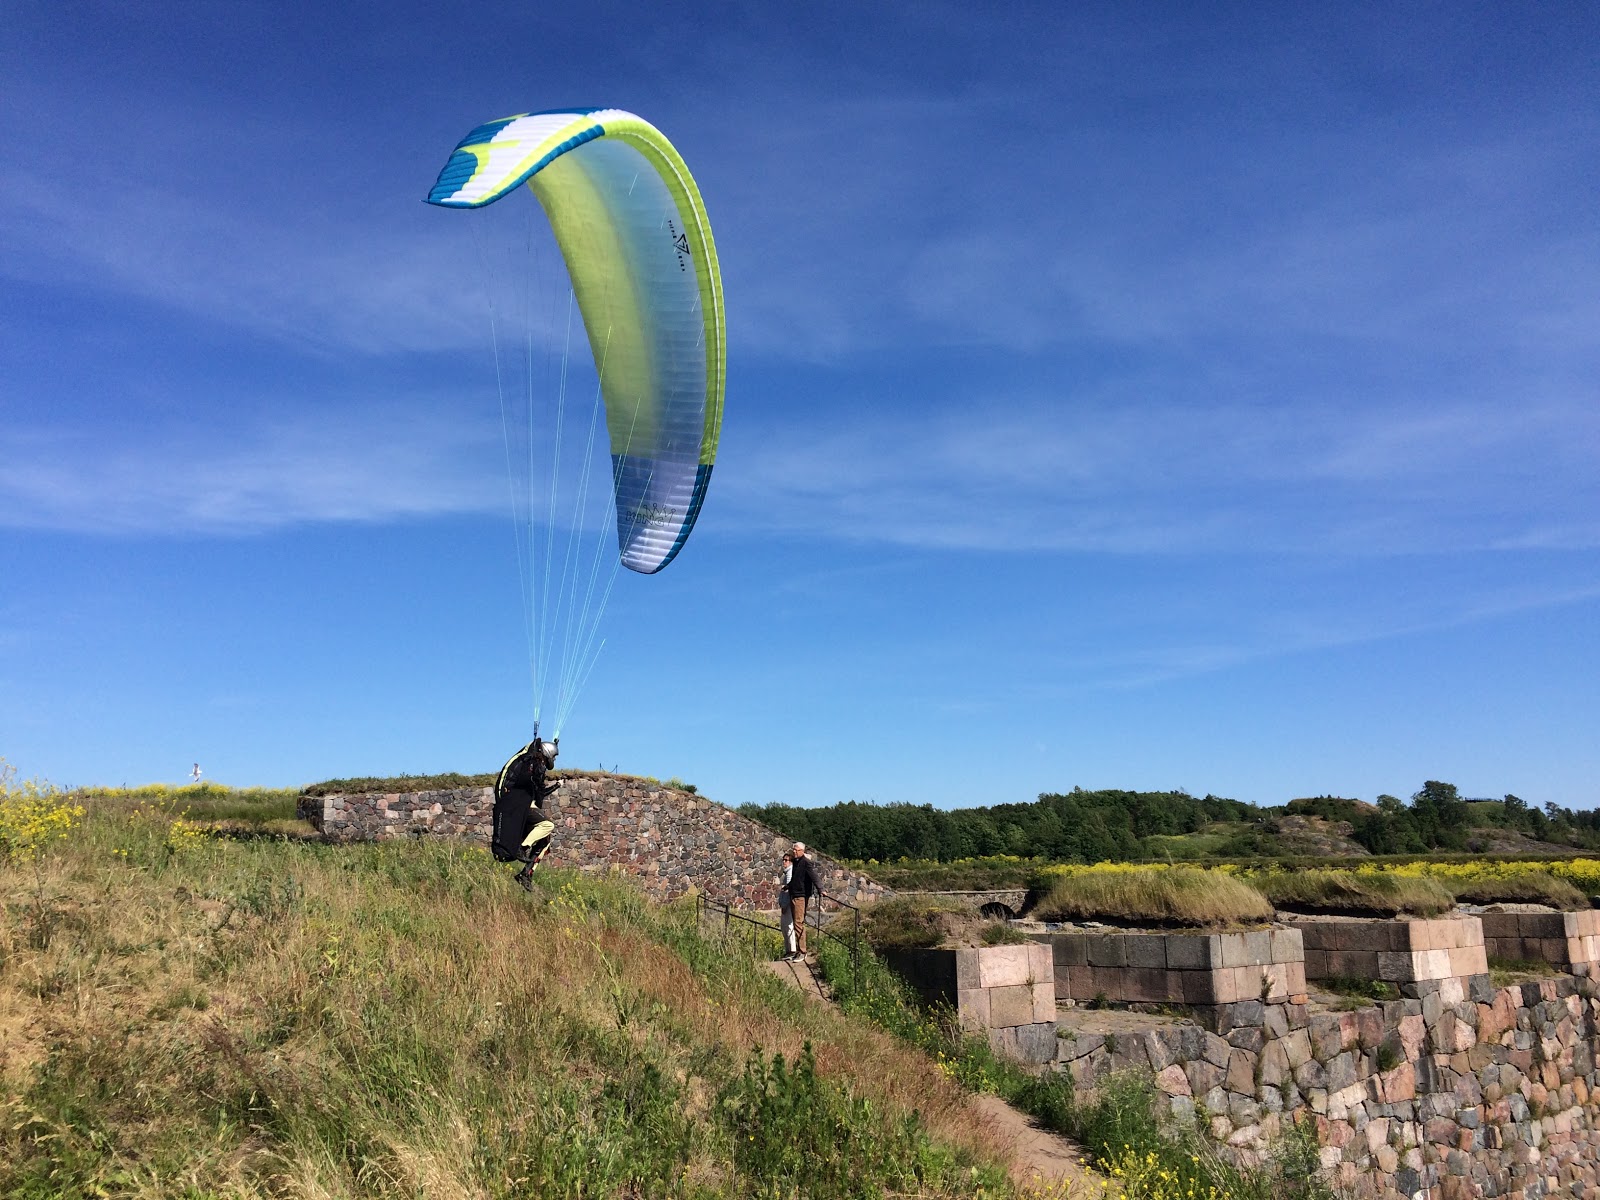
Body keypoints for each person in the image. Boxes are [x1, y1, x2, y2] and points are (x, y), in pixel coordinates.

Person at [491, 736, 558, 890]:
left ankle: (526, 874)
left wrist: (554, 786)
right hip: (519, 804)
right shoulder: (529, 762)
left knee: (544, 841)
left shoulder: (536, 765)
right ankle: (523, 846)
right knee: (547, 825)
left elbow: (540, 791)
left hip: (526, 804)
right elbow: (527, 779)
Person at [785, 841, 822, 959]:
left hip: (800, 896)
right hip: (794, 894)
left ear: (802, 851)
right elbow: (796, 878)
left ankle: (802, 951)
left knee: (798, 923)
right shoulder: (796, 862)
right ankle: (798, 950)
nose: (794, 852)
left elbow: (814, 876)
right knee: (797, 923)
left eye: (796, 850)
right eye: (793, 850)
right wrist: (788, 886)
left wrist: (821, 889)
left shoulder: (806, 863)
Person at [777, 851, 798, 960]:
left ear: (791, 862)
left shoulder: (790, 873)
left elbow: (788, 891)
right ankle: (789, 950)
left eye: (786, 860)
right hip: (785, 904)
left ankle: (792, 950)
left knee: (788, 927)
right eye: (783, 860)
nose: (784, 862)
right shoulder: (787, 872)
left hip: (788, 905)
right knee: (785, 927)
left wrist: (785, 904)